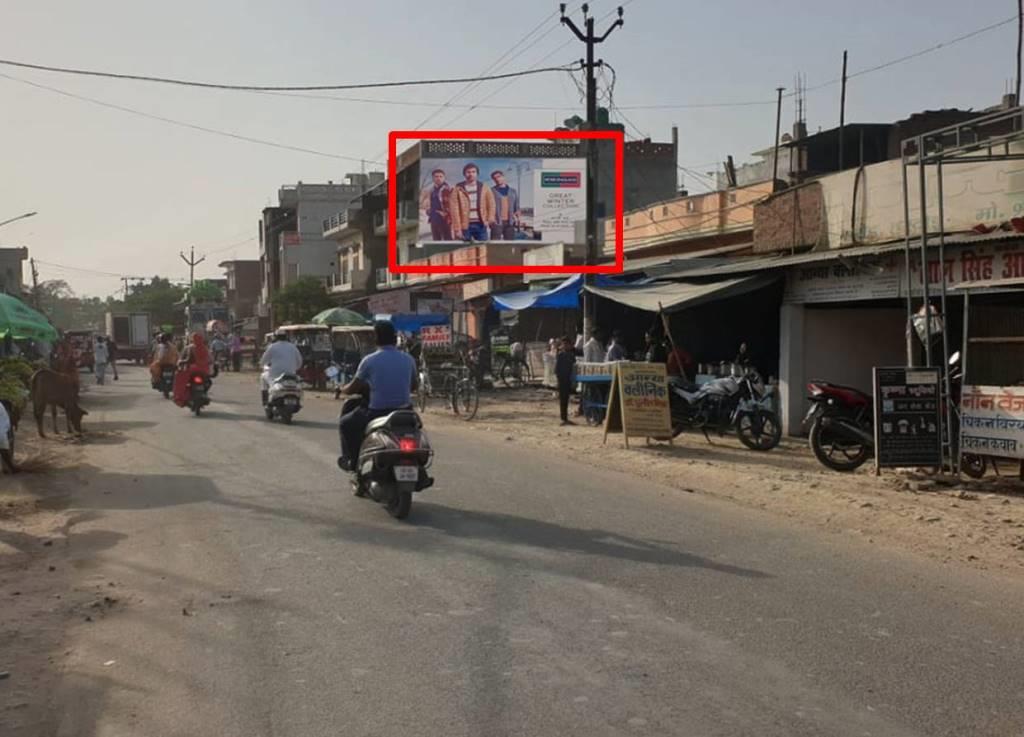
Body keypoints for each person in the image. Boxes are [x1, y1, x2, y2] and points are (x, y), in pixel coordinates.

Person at [337, 320, 418, 470]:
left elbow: (353, 388)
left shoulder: (369, 361)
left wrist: (342, 389)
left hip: (377, 412)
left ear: (376, 338)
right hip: (405, 412)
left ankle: (352, 462)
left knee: (346, 424)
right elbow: (414, 386)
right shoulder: (408, 359)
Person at [449, 163, 496, 242]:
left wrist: (489, 219)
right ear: (464, 174)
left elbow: (491, 204)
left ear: (477, 174)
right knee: (465, 248)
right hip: (465, 226)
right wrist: (457, 228)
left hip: (481, 224)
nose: (471, 174)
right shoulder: (458, 189)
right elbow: (454, 210)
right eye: (468, 172)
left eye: (473, 172)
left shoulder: (484, 187)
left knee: (482, 247)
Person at [259, 331, 304, 406]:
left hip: (275, 374)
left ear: (276, 337)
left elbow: (263, 361)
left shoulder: (272, 347)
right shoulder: (293, 347)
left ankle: (265, 402)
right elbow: (300, 361)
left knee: (263, 376)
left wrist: (262, 364)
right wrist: (294, 369)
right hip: (291, 374)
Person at [173, 333, 210, 407]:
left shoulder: (191, 347)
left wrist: (181, 362)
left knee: (179, 377)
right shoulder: (205, 348)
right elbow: (209, 360)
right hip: (205, 370)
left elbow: (188, 359)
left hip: (194, 369)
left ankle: (179, 398)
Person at [419, 168, 452, 241]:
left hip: (445, 220)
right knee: (436, 240)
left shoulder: (448, 189)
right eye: (436, 176)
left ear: (444, 177)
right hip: (434, 219)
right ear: (433, 178)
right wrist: (428, 211)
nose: (438, 178)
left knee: (447, 240)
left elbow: (453, 204)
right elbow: (429, 203)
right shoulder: (432, 190)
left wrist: (446, 213)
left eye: (440, 176)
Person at [489, 170, 519, 240]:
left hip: (510, 223)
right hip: (497, 222)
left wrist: (517, 217)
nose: (497, 179)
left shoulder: (513, 191)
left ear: (503, 177)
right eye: (494, 178)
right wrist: (491, 219)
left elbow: (517, 206)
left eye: (498, 177)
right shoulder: (491, 191)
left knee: (509, 243)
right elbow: (488, 206)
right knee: (495, 243)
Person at [555, 335, 576, 426]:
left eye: (567, 344)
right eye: (564, 344)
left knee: (566, 399)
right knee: (563, 399)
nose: (566, 346)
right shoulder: (561, 355)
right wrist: (558, 381)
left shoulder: (571, 355)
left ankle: (565, 418)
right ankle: (563, 418)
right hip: (562, 380)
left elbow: (574, 366)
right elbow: (557, 370)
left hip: (568, 379)